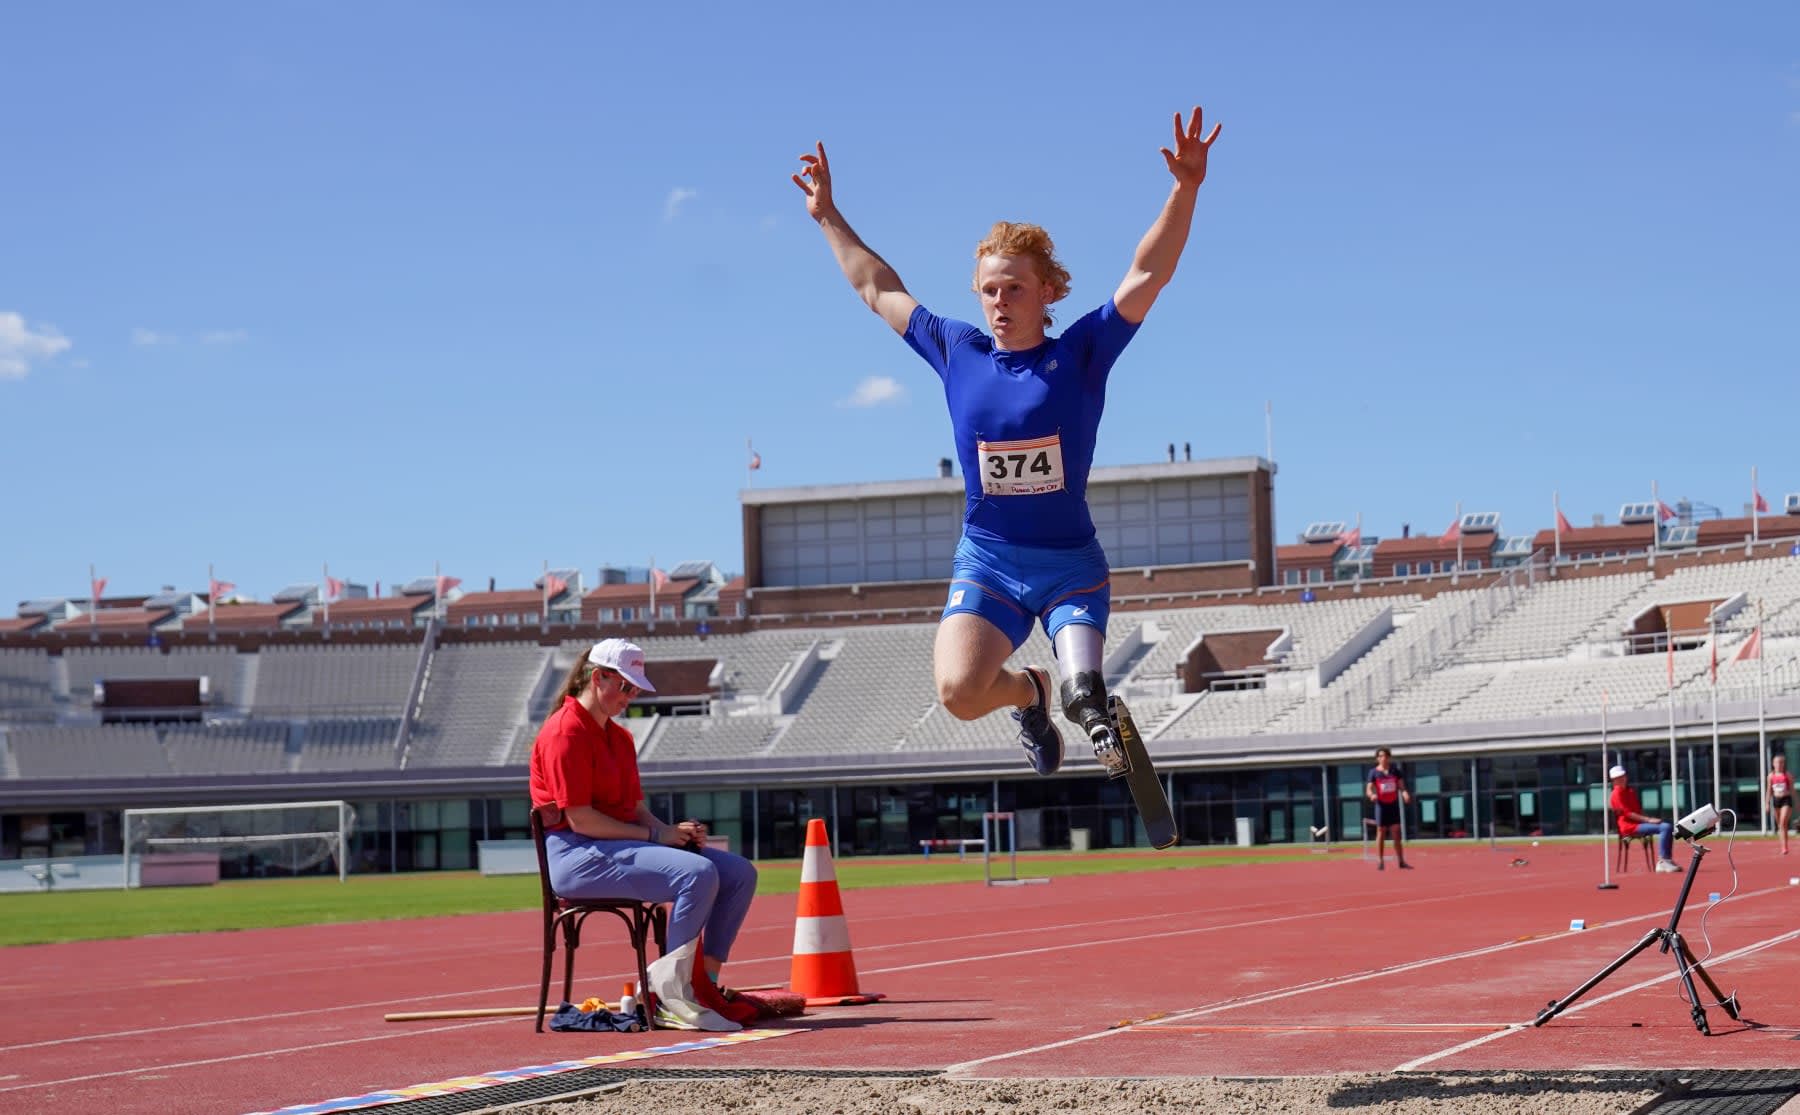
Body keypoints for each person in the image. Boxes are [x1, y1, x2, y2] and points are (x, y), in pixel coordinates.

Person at [794, 106, 1222, 778]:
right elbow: (877, 288)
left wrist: (1185, 188)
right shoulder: (957, 351)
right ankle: (1031, 692)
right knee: (959, 693)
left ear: (1047, 291)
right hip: (988, 561)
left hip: (1068, 565)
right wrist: (827, 215)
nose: (999, 300)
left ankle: (1080, 700)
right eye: (989, 289)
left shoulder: (1080, 353)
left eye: (1014, 288)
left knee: (1089, 697)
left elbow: (1147, 275)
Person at [529, 638, 758, 1031]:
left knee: (739, 874)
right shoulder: (564, 733)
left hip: (618, 846)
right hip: (575, 855)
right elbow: (581, 820)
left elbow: (634, 809)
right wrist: (655, 837)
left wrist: (671, 832)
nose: (630, 696)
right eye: (625, 686)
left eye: (635, 689)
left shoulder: (620, 738)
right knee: (697, 874)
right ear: (598, 678)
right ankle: (669, 995)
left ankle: (703, 985)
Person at [1608, 764, 1679, 873]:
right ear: (1613, 780)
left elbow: (1637, 811)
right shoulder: (1616, 794)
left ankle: (1667, 859)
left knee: (1667, 825)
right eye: (1618, 777)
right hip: (1629, 827)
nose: (1622, 779)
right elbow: (1628, 814)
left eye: (1623, 776)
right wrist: (1649, 820)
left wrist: (1650, 820)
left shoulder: (1630, 791)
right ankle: (1663, 861)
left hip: (1638, 824)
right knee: (1665, 827)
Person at [1366, 748, 1413, 870]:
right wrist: (1372, 795)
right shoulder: (1373, 772)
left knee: (1396, 833)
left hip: (1393, 805)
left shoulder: (1395, 771)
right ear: (1377, 758)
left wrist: (1405, 794)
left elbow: (1402, 787)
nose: (1383, 758)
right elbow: (1369, 789)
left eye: (1386, 756)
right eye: (1380, 756)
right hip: (1381, 806)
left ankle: (1401, 861)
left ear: (1389, 757)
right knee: (1380, 832)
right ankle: (1380, 861)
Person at [1768, 754, 1793, 856]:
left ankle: (1784, 847)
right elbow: (1769, 790)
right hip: (1776, 800)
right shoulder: (1771, 776)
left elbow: (1792, 790)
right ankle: (1783, 845)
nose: (1779, 764)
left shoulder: (1787, 775)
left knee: (1783, 822)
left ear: (1784, 764)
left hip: (1786, 799)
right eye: (1777, 762)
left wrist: (1797, 802)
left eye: (1781, 762)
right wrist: (1766, 803)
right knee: (1780, 825)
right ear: (1773, 764)